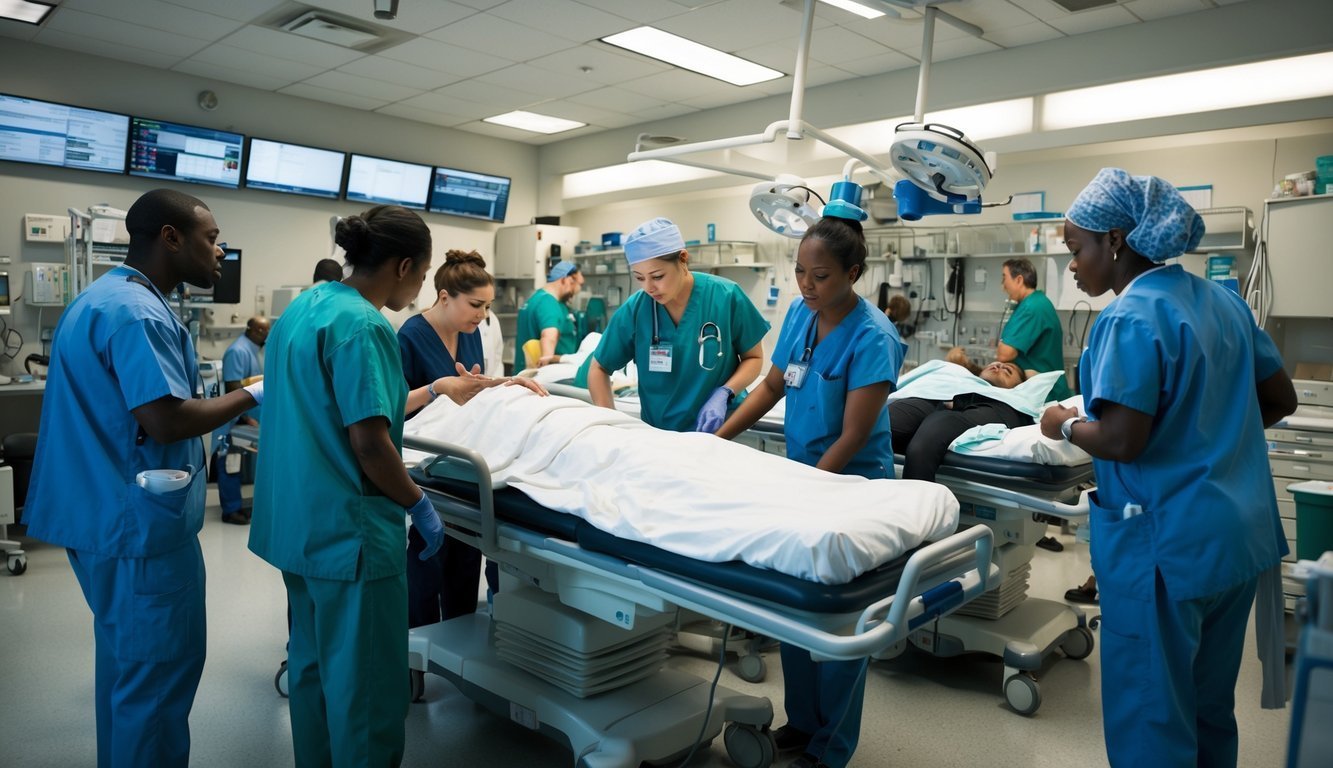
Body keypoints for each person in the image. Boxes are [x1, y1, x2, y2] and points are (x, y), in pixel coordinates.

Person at [1039, 168, 1296, 768]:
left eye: (1077, 249)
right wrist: (1209, 433)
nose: (1072, 266)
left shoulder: (1129, 319)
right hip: (1233, 544)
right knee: (1208, 706)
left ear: (1117, 242)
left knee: (1154, 713)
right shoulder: (1223, 302)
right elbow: (1278, 399)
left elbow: (1123, 440)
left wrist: (1063, 424)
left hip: (1165, 549)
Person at [23, 188, 262, 767]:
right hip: (138, 532)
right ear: (170, 238)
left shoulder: (103, 298)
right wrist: (254, 392)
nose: (221, 252)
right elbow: (164, 417)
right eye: (211, 239)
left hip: (101, 517)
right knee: (155, 686)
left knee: (127, 674)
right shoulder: (137, 313)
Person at [248, 205, 449, 767]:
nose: (421, 288)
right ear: (404, 265)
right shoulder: (364, 325)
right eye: (424, 275)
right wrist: (419, 502)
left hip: (298, 525)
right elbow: (369, 443)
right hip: (349, 535)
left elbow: (325, 408)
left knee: (312, 667)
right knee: (366, 687)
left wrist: (434, 390)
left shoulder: (304, 307)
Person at [716, 211, 906, 768]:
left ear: (853, 273)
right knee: (795, 609)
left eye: (819, 276)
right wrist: (720, 437)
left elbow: (852, 434)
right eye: (800, 272)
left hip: (849, 489)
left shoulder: (874, 338)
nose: (805, 285)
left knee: (840, 620)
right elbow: (773, 384)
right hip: (801, 478)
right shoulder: (802, 315)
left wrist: (810, 488)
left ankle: (832, 747)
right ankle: (801, 725)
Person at [398, 250, 544, 627]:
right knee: (431, 550)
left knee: (467, 549)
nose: (482, 315)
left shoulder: (471, 333)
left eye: (487, 306)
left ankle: (459, 628)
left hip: (465, 452)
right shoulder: (411, 336)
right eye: (476, 305)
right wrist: (436, 388)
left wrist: (509, 383)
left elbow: (471, 387)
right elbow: (392, 406)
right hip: (425, 457)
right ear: (444, 297)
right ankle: (420, 639)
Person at [587, 217, 769, 433]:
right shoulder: (636, 309)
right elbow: (599, 368)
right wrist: (612, 426)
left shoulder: (725, 296)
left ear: (683, 258)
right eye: (639, 278)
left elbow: (754, 358)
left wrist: (725, 392)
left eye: (657, 276)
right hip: (659, 435)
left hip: (721, 431)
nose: (649, 288)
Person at [889, 359, 1044, 482]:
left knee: (932, 431)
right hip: (933, 401)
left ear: (1018, 387)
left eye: (1007, 370)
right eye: (994, 364)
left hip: (982, 406)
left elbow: (939, 429)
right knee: (884, 424)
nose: (998, 366)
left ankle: (917, 509)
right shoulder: (957, 377)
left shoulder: (1008, 406)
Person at [212, 315, 269, 525]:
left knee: (237, 463)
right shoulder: (238, 351)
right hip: (233, 420)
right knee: (230, 462)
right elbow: (233, 389)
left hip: (245, 417)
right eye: (263, 331)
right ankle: (230, 510)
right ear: (251, 330)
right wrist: (245, 418)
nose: (266, 335)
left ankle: (236, 505)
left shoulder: (253, 350)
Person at [998, 257, 1070, 401]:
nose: (1002, 285)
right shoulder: (1037, 302)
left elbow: (1004, 354)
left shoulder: (1031, 308)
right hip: (1042, 390)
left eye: (1004, 278)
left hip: (1044, 395)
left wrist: (1001, 344)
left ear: (1018, 280)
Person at [513, 260, 583, 370]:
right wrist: (545, 371)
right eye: (573, 286)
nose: (573, 293)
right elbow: (549, 337)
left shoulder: (535, 299)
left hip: (523, 372)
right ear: (566, 280)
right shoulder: (549, 303)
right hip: (537, 377)